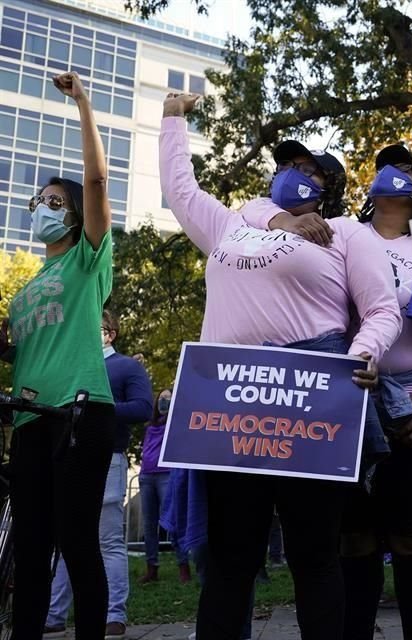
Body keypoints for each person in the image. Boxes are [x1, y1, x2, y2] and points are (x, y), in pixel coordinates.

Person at [159, 92, 401, 640]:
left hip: (311, 404)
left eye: (309, 170)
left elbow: (382, 310)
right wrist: (173, 119)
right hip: (231, 406)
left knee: (314, 555)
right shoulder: (233, 225)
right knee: (230, 557)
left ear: (330, 188)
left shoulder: (348, 235)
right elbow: (180, 191)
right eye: (289, 165)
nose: (294, 174)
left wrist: (362, 356)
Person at [264, 143, 412, 639]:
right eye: (385, 167)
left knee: (410, 536)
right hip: (347, 398)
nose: (393, 174)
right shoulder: (342, 233)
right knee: (355, 537)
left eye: (405, 169)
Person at [2, 72, 115, 640]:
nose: (45, 207)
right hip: (28, 420)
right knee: (28, 548)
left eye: (56, 201)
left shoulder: (87, 260)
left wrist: (83, 103)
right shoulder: (23, 292)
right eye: (39, 201)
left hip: (79, 413)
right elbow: (20, 350)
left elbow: (95, 179)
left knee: (75, 542)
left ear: (74, 215)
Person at [45, 310, 153, 639]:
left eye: (92, 327)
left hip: (108, 458)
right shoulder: (72, 365)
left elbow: (143, 407)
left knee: (107, 541)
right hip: (68, 458)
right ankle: (54, 614)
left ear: (110, 334)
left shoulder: (127, 367)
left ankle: (114, 615)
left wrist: (97, 410)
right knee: (67, 539)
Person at [137, 388, 192, 585]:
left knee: (173, 521)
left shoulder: (177, 424)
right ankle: (151, 567)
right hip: (147, 476)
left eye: (168, 398)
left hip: (166, 475)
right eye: (161, 398)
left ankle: (183, 565)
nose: (163, 402)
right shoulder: (150, 427)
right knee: (149, 524)